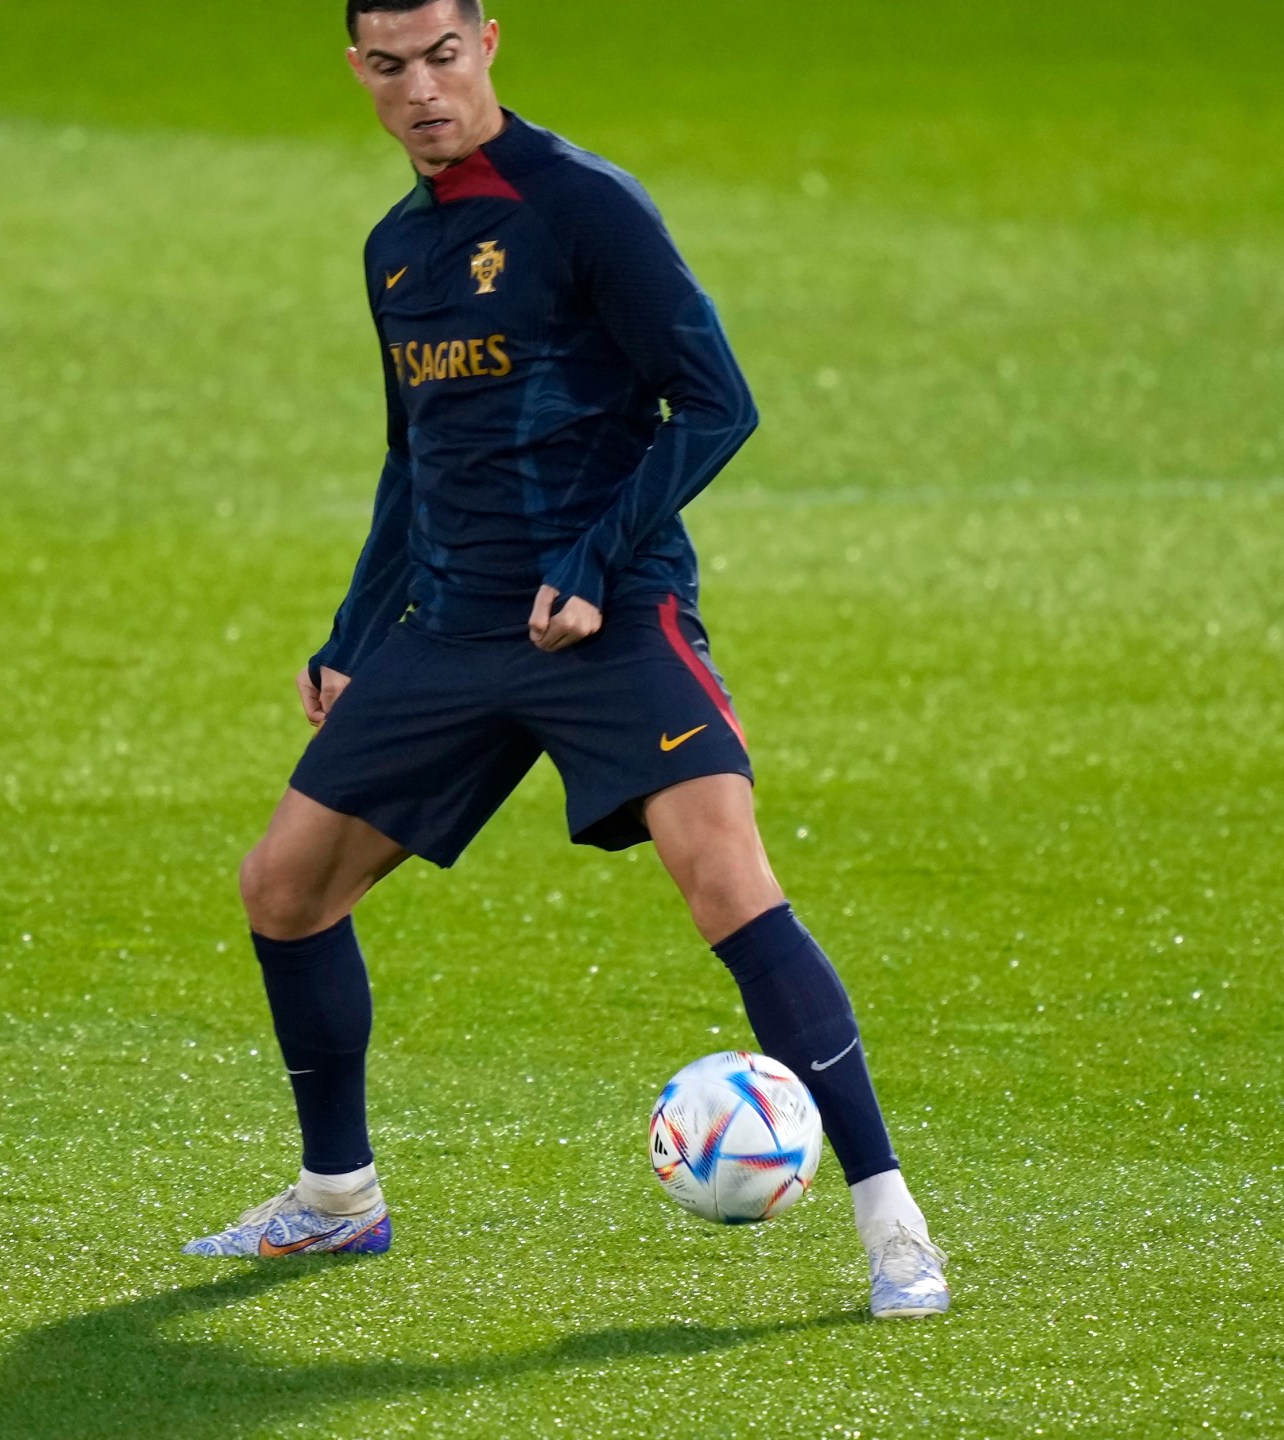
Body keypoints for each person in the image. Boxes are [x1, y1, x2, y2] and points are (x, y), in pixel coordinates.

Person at [182, 0, 949, 1320]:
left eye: (441, 55)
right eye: (389, 65)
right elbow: (411, 462)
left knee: (726, 878)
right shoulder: (396, 250)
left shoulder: (582, 205)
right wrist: (353, 639)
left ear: (489, 40)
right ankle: (337, 1199)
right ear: (356, 70)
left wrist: (596, 561)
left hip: (611, 617)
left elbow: (719, 404)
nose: (421, 88)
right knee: (284, 888)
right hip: (455, 629)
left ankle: (893, 1223)